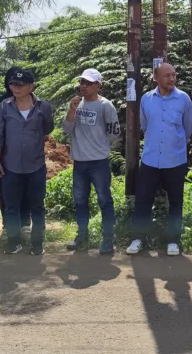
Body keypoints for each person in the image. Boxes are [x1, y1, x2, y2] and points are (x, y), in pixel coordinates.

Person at [126, 63, 192, 257]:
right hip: (150, 160)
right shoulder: (147, 99)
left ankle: (173, 241)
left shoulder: (183, 99)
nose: (171, 79)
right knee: (143, 201)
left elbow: (187, 128)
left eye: (173, 75)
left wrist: (175, 144)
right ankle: (138, 239)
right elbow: (145, 126)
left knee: (175, 202)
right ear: (156, 78)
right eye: (167, 76)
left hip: (175, 160)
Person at [0, 69, 54, 255]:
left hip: (36, 165)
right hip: (10, 166)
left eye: (19, 85)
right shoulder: (4, 106)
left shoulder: (43, 107)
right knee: (11, 206)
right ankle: (14, 242)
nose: (15, 88)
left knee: (37, 206)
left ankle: (37, 244)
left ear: (31, 86)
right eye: (12, 85)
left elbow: (47, 128)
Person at [61, 68, 121, 254]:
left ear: (98, 85)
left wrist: (102, 147)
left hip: (99, 162)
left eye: (88, 83)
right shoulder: (76, 105)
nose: (83, 86)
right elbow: (66, 128)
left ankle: (108, 240)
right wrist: (71, 110)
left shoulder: (105, 106)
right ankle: (82, 235)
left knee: (104, 200)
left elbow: (114, 132)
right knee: (80, 201)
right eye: (82, 82)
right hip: (80, 162)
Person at [0, 66, 30, 236]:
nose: (15, 85)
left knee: (26, 188)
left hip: (27, 155)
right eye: (11, 80)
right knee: (6, 190)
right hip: (3, 154)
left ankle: (25, 223)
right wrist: (1, 140)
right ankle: (7, 225)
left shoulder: (32, 102)